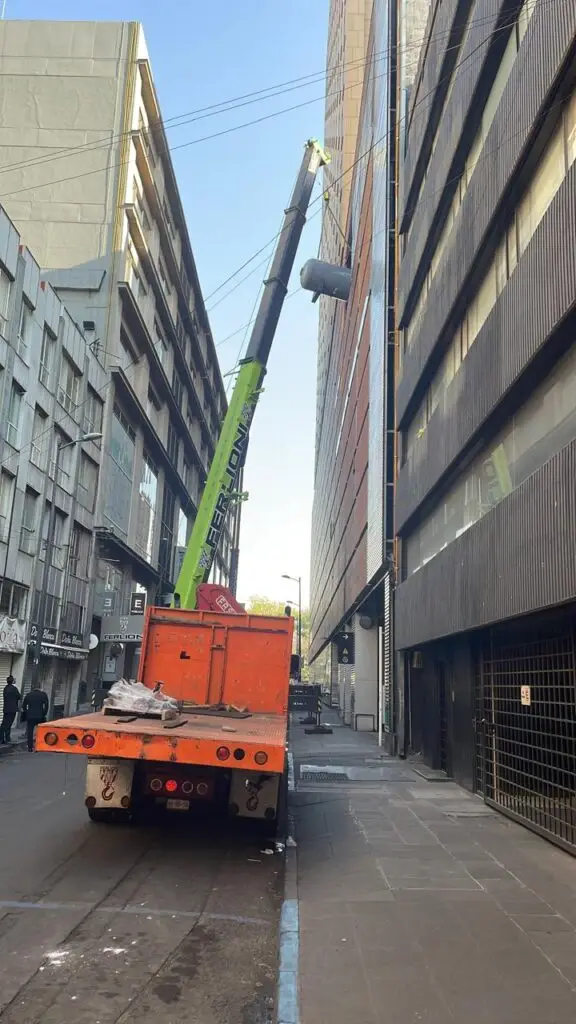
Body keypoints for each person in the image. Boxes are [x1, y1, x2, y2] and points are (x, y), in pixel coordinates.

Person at [22, 684, 49, 752]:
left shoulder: (28, 695)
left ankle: (30, 747)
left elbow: (24, 706)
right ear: (40, 687)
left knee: (30, 731)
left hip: (30, 716)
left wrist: (27, 713)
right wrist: (44, 714)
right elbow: (46, 706)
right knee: (40, 731)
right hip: (40, 716)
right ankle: (39, 745)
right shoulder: (43, 694)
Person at [0, 675, 21, 743]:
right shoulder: (14, 688)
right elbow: (19, 696)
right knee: (9, 724)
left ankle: (1, 738)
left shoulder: (5, 688)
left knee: (4, 723)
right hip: (12, 709)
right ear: (12, 681)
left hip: (6, 708)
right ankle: (7, 738)